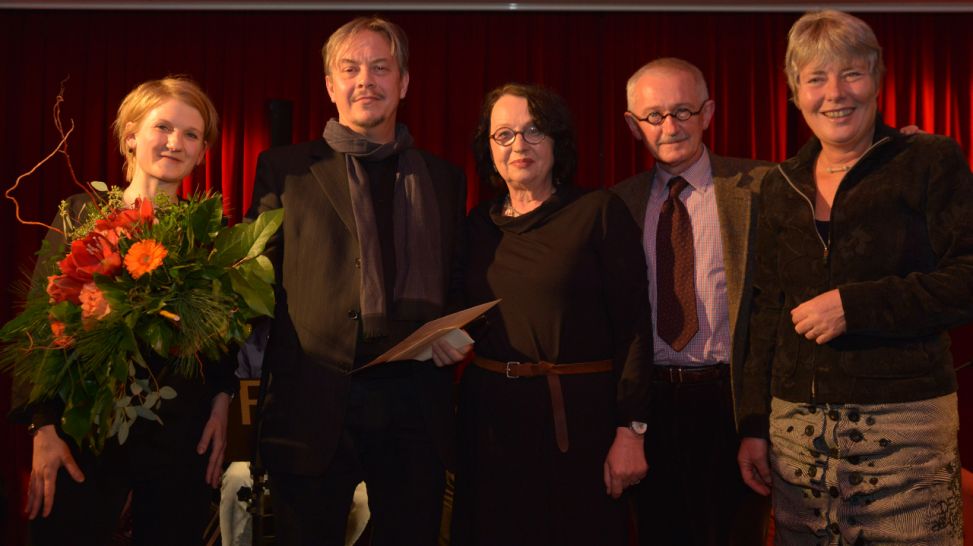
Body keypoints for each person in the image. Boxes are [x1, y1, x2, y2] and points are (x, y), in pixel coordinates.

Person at [737, 9, 973, 545]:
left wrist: (857, 305)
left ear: (878, 79)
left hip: (906, 430)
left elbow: (968, 277)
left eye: (852, 73)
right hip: (796, 437)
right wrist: (754, 424)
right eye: (815, 78)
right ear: (795, 92)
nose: (835, 93)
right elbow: (767, 308)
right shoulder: (779, 184)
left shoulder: (930, 160)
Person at [247, 16, 469, 546]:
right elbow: (257, 284)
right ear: (330, 85)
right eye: (350, 68)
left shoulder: (444, 177)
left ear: (404, 83)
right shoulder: (286, 169)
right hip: (313, 404)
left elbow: (457, 277)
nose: (365, 79)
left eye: (380, 67)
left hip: (416, 404)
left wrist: (455, 330)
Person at [14, 76, 233, 545]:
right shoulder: (79, 215)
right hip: (84, 436)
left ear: (202, 151)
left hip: (179, 441)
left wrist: (222, 402)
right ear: (131, 134)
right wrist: (43, 428)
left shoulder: (211, 234)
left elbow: (224, 339)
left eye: (192, 134)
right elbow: (39, 328)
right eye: (164, 127)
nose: (176, 142)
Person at [452, 83, 652, 546]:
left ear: (557, 141)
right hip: (490, 424)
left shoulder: (598, 211)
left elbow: (635, 330)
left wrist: (632, 430)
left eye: (533, 131)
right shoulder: (476, 224)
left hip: (580, 426)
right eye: (504, 134)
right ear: (489, 146)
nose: (519, 145)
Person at [611, 58, 773, 546]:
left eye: (683, 110)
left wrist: (758, 422)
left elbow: (772, 317)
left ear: (709, 112)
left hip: (733, 403)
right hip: (651, 406)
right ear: (633, 126)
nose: (670, 126)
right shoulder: (616, 204)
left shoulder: (762, 188)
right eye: (654, 115)